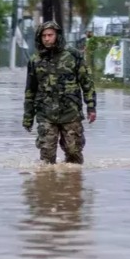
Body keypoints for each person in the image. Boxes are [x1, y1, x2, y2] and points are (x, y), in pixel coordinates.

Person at [22, 20, 97, 165]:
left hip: (70, 112)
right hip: (45, 113)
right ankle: (48, 184)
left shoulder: (73, 55)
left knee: (73, 151)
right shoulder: (35, 61)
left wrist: (91, 107)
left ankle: (74, 184)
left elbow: (86, 82)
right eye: (44, 36)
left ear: (57, 36)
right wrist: (28, 118)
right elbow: (30, 90)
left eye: (50, 35)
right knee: (47, 156)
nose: (47, 38)